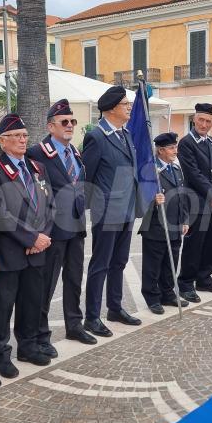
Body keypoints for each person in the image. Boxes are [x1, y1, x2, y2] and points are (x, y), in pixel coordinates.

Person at [0, 114, 54, 378]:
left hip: (38, 249)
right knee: (2, 305)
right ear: (2, 141)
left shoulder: (37, 168)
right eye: (16, 136)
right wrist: (29, 238)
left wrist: (42, 237)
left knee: (32, 301)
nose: (23, 140)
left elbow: (50, 204)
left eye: (25, 136)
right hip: (10, 250)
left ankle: (28, 345)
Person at [28, 99, 97, 347]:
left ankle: (74, 325)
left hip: (76, 227)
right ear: (51, 126)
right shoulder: (37, 153)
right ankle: (40, 333)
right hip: (53, 230)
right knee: (46, 283)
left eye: (72, 121)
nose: (70, 125)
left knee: (74, 279)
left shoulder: (74, 152)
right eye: (64, 122)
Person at [81, 85, 141, 336]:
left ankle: (115, 307)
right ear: (113, 108)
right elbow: (88, 178)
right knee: (100, 264)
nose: (129, 107)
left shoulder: (125, 134)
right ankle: (92, 317)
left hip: (126, 209)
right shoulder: (96, 136)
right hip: (107, 213)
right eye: (126, 104)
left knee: (119, 262)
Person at [177, 103, 212, 301]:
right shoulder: (187, 143)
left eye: (208, 121)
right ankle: (186, 283)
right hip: (197, 201)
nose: (204, 124)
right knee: (194, 244)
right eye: (201, 120)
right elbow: (193, 174)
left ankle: (205, 278)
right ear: (194, 119)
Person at [139, 132, 190, 314]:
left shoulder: (176, 169)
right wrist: (153, 199)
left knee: (171, 262)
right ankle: (152, 297)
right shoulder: (150, 170)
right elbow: (141, 197)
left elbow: (182, 196)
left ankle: (168, 293)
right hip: (156, 227)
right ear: (160, 151)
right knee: (153, 265)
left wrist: (185, 219)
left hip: (175, 225)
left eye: (175, 147)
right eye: (171, 148)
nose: (175, 151)